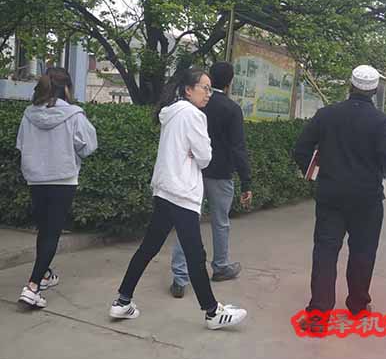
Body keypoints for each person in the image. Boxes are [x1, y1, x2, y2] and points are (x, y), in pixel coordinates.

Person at [109, 68, 247, 330]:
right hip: (183, 193)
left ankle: (122, 300)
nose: (208, 93)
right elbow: (205, 157)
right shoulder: (194, 115)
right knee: (195, 255)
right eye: (204, 88)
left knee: (148, 248)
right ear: (188, 90)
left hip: (164, 189)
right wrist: (196, 154)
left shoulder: (170, 113)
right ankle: (212, 312)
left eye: (210, 88)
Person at [292, 64, 386, 334]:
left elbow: (301, 149)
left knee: (325, 251)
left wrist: (315, 174)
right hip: (367, 199)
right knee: (363, 252)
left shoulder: (326, 115)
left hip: (331, 195)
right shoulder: (381, 122)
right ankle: (358, 305)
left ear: (350, 86)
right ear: (375, 90)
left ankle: (318, 315)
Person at [15, 67, 98, 309]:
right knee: (52, 232)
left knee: (44, 230)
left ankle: (44, 274)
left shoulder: (29, 114)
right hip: (63, 178)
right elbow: (88, 145)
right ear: (67, 88)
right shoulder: (74, 115)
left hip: (36, 178)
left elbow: (21, 144)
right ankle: (32, 287)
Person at [169, 62, 253, 298]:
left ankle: (180, 277)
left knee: (187, 222)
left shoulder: (191, 106)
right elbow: (238, 147)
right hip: (221, 173)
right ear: (230, 82)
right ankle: (221, 266)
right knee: (220, 222)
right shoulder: (231, 109)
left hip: (193, 171)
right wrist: (246, 181)